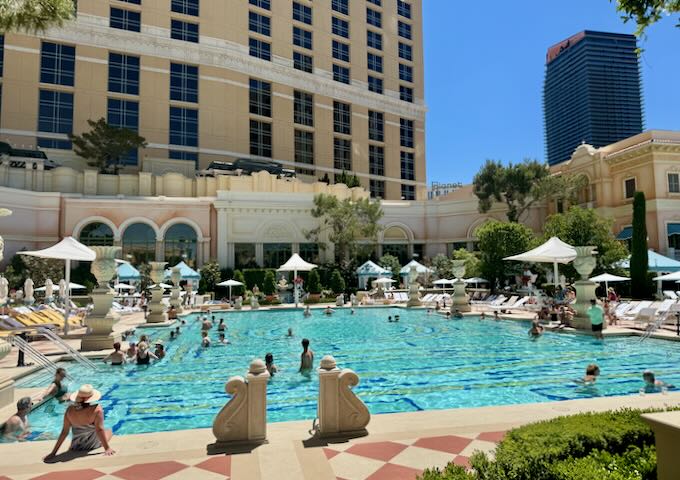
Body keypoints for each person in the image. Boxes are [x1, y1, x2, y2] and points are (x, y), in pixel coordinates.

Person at [44, 385, 115, 460]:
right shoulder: (97, 410)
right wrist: (107, 448)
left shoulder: (69, 410)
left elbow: (64, 432)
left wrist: (53, 453)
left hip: (76, 446)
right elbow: (99, 430)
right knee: (109, 431)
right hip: (93, 444)